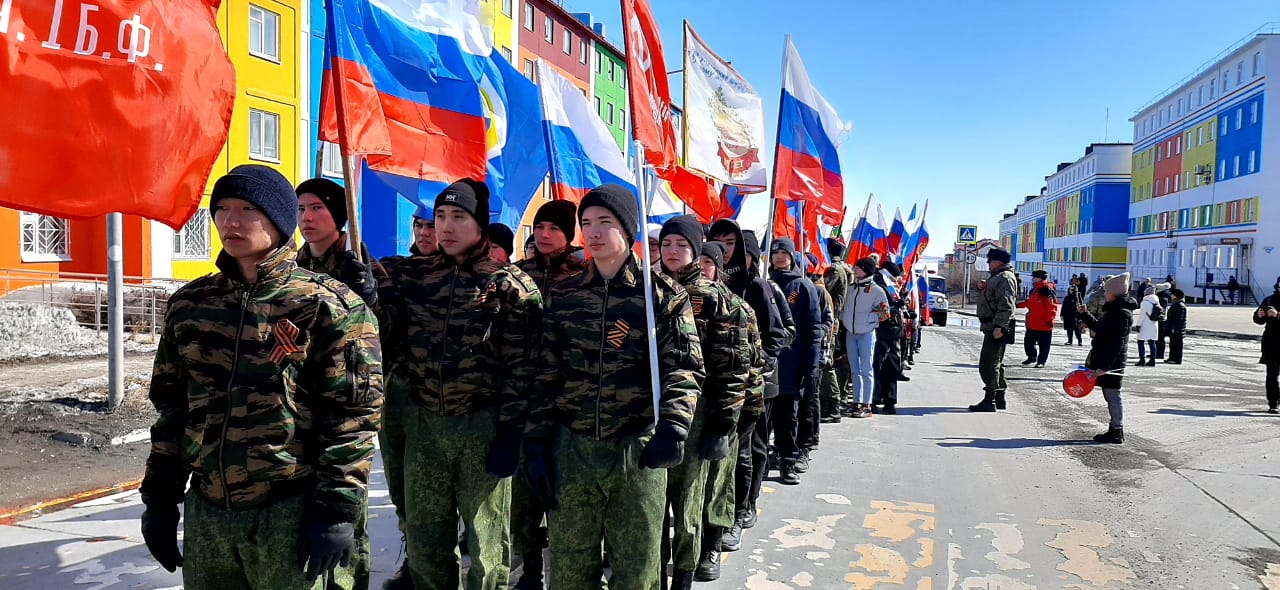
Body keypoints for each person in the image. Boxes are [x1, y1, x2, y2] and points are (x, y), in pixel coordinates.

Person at [140, 165, 384, 590]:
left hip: (291, 510)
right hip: (211, 514)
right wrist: (160, 499)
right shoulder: (192, 305)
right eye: (222, 209)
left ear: (278, 218)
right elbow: (172, 410)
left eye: (248, 209)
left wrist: (337, 509)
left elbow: (354, 416)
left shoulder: (328, 306)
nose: (231, 222)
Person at [524, 184, 704, 590]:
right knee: (569, 569)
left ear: (627, 228)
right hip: (574, 449)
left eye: (605, 222)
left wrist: (674, 427)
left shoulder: (660, 295)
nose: (594, 232)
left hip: (635, 449)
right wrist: (535, 442)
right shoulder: (566, 295)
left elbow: (684, 368)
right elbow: (547, 373)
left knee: (637, 570)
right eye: (587, 223)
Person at [377, 179, 543, 589]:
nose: (446, 227)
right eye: (440, 216)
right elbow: (377, 327)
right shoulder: (409, 275)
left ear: (480, 224)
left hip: (482, 427)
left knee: (487, 544)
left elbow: (524, 367)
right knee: (425, 537)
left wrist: (511, 431)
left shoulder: (508, 286)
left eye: (458, 217)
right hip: (424, 425)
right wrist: (369, 291)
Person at [655, 216, 749, 587]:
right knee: (653, 502)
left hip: (699, 414)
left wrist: (723, 425)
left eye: (682, 244)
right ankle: (654, 568)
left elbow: (733, 368)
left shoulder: (717, 299)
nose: (672, 251)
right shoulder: (648, 290)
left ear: (696, 250)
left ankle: (683, 572)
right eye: (666, 244)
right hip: (652, 412)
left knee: (688, 502)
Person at [511, 199, 585, 589]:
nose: (543, 234)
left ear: (569, 235)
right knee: (523, 497)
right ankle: (530, 569)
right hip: (524, 396)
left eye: (553, 228)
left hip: (568, 400)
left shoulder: (584, 277)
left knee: (565, 497)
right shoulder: (517, 276)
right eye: (539, 227)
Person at [705, 221, 786, 559]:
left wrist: (758, 365)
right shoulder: (706, 284)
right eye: (717, 241)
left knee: (748, 450)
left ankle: (741, 510)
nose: (724, 248)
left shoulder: (757, 288)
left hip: (751, 386)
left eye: (730, 242)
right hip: (714, 387)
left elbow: (778, 334)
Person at [699, 241, 765, 564]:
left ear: (719, 268)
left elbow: (748, 364)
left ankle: (725, 528)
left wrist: (731, 415)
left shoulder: (737, 307)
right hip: (693, 407)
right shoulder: (675, 301)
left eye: (707, 263)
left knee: (725, 475)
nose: (701, 268)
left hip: (735, 404)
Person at [767, 238, 823, 485]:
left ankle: (788, 461)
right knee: (765, 418)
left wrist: (811, 366)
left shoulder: (802, 286)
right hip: (768, 362)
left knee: (788, 416)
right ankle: (768, 457)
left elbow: (814, 329)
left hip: (792, 364)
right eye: (775, 252)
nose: (779, 256)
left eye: (784, 252)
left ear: (792, 256)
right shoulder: (764, 283)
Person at [295, 177, 384, 306]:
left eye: (317, 208)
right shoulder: (291, 264)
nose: (306, 217)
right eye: (301, 209)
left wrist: (369, 297)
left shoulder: (360, 266)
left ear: (336, 213)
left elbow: (388, 316)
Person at [1076, 273, 1137, 444]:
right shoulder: (1114, 310)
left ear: (1114, 293)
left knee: (1112, 395)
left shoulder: (1121, 313)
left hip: (1112, 363)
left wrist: (1105, 367)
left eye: (1107, 291)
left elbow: (1116, 343)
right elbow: (1100, 329)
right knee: (1110, 395)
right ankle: (1115, 429)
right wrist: (1085, 314)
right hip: (1108, 361)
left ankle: (1116, 431)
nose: (1105, 294)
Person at [970, 248, 1016, 412]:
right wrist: (983, 286)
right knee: (996, 363)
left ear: (998, 262)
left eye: (990, 260)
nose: (988, 263)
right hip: (992, 325)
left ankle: (990, 400)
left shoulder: (1004, 277)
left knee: (988, 364)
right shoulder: (997, 277)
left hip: (996, 326)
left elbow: (1006, 305)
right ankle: (999, 398)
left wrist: (1000, 326)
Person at [841, 257, 888, 418]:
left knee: (866, 369)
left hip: (866, 333)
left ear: (866, 270)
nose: (855, 269)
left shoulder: (876, 291)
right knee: (854, 370)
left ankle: (866, 404)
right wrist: (844, 319)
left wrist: (869, 319)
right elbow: (844, 307)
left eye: (858, 267)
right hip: (851, 333)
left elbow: (885, 313)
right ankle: (856, 402)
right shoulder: (851, 288)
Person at [822, 241, 854, 421]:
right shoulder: (843, 268)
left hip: (829, 318)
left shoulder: (834, 269)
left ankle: (833, 404)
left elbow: (823, 288)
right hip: (832, 318)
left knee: (826, 363)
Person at [871, 262, 908, 413]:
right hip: (881, 329)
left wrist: (901, 300)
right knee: (877, 366)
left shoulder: (888, 283)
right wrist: (894, 308)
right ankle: (874, 399)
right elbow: (878, 307)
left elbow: (893, 301)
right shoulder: (877, 282)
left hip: (893, 330)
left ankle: (889, 400)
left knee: (891, 366)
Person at [1017, 269, 1058, 368]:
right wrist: (1018, 305)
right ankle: (1031, 357)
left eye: (1034, 277)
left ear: (1040, 278)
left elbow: (1052, 306)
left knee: (1044, 345)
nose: (1033, 279)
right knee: (1028, 343)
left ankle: (1041, 361)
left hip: (1044, 323)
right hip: (1032, 322)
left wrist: (1049, 319)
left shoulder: (1047, 290)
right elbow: (1030, 302)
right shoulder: (1035, 289)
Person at [1255, 283, 1280, 413]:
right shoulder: (1269, 299)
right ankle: (1273, 403)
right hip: (1271, 343)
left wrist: (1278, 315)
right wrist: (1259, 315)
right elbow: (1258, 320)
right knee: (1271, 376)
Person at [1136, 283, 1167, 366]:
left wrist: (1138, 325)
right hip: (1154, 324)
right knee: (1152, 342)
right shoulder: (1157, 301)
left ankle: (1142, 360)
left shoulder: (1145, 302)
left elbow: (1142, 315)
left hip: (1145, 324)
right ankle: (1152, 360)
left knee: (1140, 341)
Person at [1166, 288, 1187, 364]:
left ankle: (1176, 359)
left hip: (1177, 329)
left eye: (1172, 294)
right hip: (1173, 328)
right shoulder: (1176, 304)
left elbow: (1179, 319)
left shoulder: (1179, 305)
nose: (1171, 296)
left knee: (1177, 345)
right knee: (1172, 344)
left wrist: (1175, 328)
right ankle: (1172, 358)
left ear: (1176, 296)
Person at [1062, 279, 1083, 346]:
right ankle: (1070, 340)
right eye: (1070, 290)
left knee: (1077, 330)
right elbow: (1063, 307)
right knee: (1069, 330)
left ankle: (1080, 341)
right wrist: (1062, 315)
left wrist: (1081, 316)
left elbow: (1081, 306)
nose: (1070, 291)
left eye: (1072, 290)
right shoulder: (1067, 298)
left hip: (1075, 316)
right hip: (1068, 316)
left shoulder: (1078, 298)